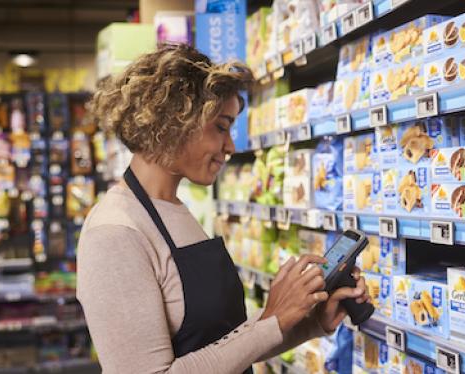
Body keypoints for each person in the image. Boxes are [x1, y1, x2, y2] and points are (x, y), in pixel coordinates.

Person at [77, 43, 370, 374]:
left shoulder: (173, 209)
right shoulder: (114, 233)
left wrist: (310, 322)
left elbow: (220, 346)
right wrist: (272, 321)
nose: (230, 146)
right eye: (221, 126)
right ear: (176, 120)